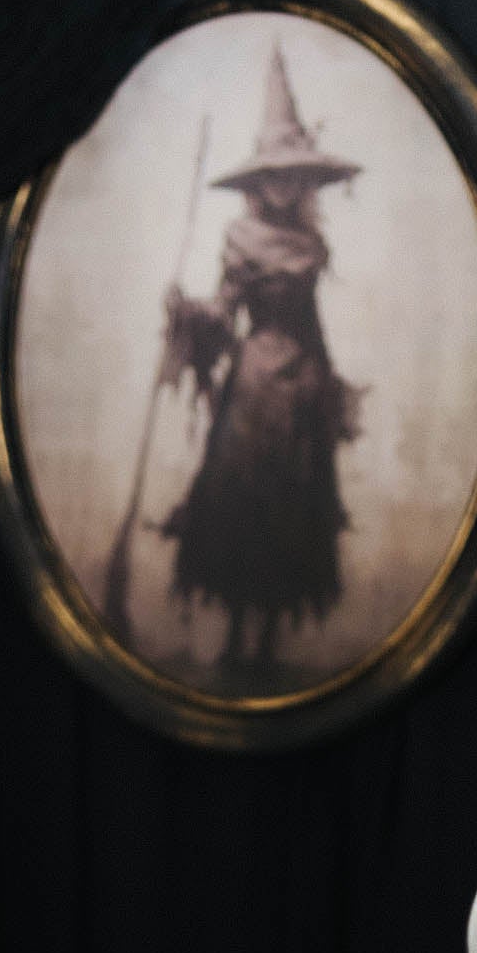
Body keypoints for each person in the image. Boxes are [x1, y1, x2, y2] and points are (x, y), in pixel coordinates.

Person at [156, 53, 365, 675]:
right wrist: (187, 314)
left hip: (301, 383)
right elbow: (224, 311)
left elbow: (316, 322)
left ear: (306, 181)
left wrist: (330, 386)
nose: (285, 186)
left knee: (293, 504)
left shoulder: (314, 243)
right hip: (250, 387)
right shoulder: (240, 239)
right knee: (241, 500)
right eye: (274, 175)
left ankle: (270, 645)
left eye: (295, 175)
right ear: (257, 182)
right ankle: (236, 641)